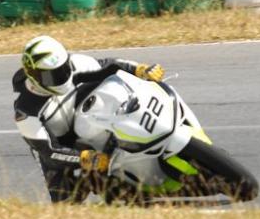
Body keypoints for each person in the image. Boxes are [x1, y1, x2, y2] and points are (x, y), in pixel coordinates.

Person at [13, 35, 165, 203]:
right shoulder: (26, 110)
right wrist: (84, 158)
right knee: (65, 204)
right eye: (51, 76)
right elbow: (49, 151)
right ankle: (98, 184)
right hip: (61, 146)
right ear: (34, 77)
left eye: (63, 69)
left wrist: (140, 69)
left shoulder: (74, 64)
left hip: (89, 119)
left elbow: (110, 66)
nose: (62, 78)